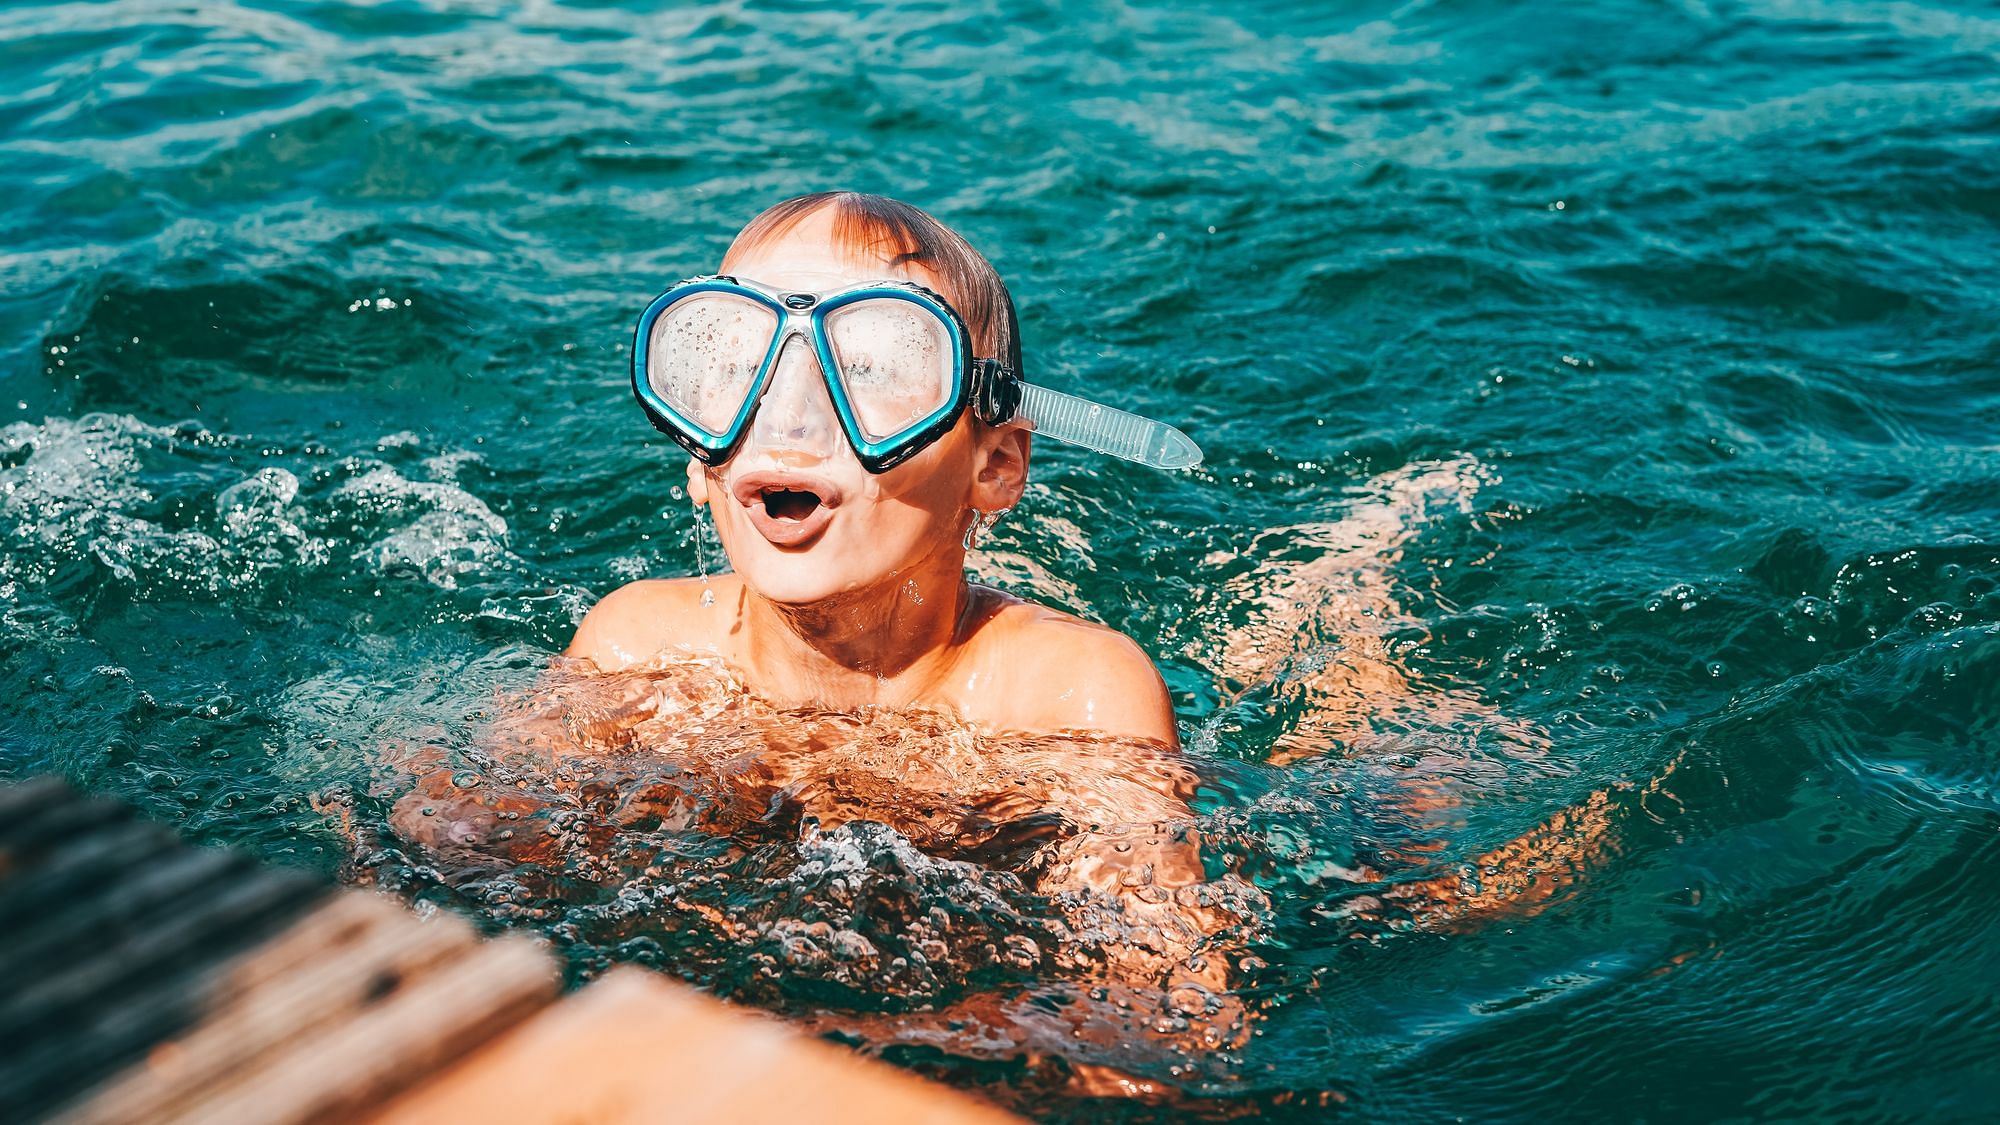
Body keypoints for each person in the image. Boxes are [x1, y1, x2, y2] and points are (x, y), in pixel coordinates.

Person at [564, 191, 1201, 747]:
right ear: (700, 465)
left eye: (869, 369)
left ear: (997, 464)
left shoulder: (1066, 698)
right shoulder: (636, 654)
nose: (787, 421)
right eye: (738, 367)